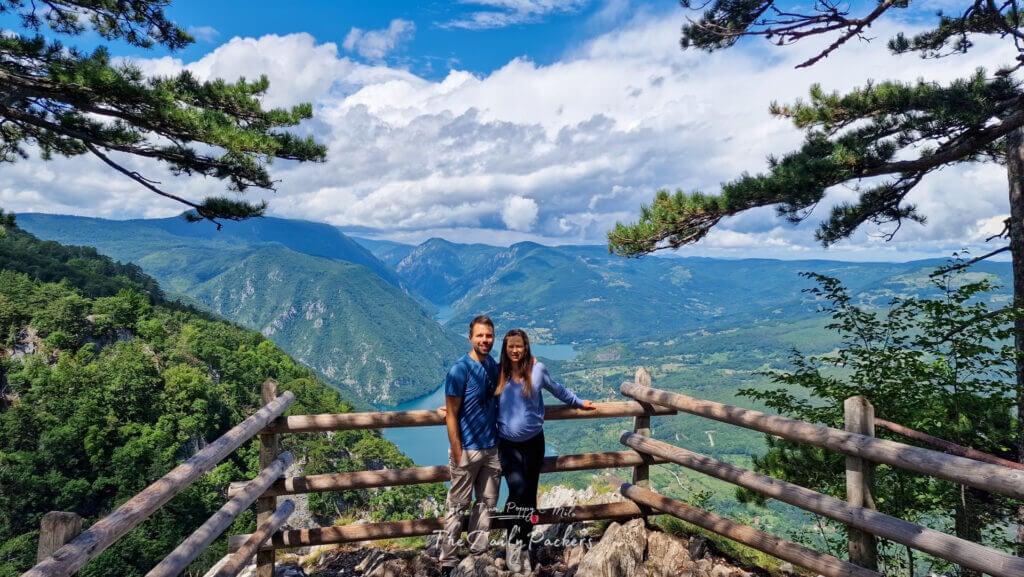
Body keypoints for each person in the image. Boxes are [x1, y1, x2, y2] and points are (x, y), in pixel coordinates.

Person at [495, 328, 596, 573]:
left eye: (519, 346)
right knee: (517, 490)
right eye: (511, 346)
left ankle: (524, 546)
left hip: (533, 443)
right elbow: (476, 395)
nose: (515, 350)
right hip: (507, 444)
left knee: (529, 496)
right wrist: (451, 408)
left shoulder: (537, 370)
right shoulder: (498, 372)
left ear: (526, 347)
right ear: (505, 349)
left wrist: (578, 402)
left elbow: (557, 389)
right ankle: (512, 543)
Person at [439, 315, 502, 577]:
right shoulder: (459, 370)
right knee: (457, 506)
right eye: (480, 336)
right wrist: (457, 450)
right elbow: (452, 414)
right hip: (467, 448)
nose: (485, 340)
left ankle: (478, 553)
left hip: (492, 449)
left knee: (486, 505)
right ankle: (448, 561)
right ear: (470, 338)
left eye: (489, 336)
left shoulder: (494, 367)